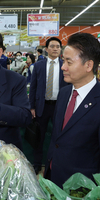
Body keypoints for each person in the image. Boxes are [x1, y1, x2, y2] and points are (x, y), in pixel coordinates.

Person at [45, 33, 100, 188]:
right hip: (54, 177)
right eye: (64, 61)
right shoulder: (64, 93)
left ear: (89, 66)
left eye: (68, 62)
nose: (63, 67)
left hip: (82, 188)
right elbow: (57, 137)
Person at [29, 37, 68, 175]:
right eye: (52, 46)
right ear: (46, 49)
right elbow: (33, 87)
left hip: (60, 106)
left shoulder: (65, 65)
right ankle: (37, 163)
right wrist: (32, 107)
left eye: (58, 46)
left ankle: (54, 165)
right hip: (42, 107)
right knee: (39, 137)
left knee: (58, 137)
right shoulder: (38, 66)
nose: (55, 49)